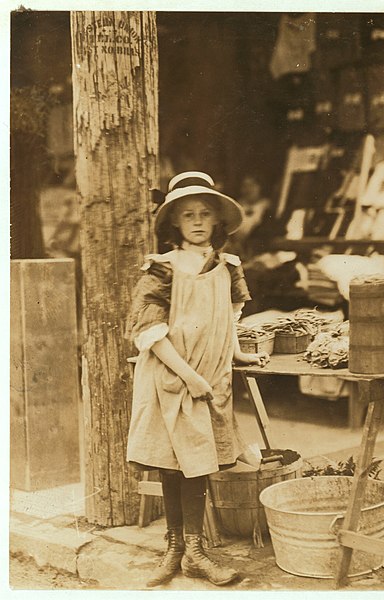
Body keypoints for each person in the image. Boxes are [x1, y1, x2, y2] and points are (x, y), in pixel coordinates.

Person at [125, 171, 270, 587]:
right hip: (172, 375)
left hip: (210, 378)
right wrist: (188, 377)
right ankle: (177, 549)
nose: (197, 221)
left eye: (205, 213)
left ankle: (193, 551)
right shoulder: (162, 269)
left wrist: (238, 352)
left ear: (218, 220)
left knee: (199, 465)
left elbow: (226, 318)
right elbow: (148, 332)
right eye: (187, 214)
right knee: (173, 465)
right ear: (173, 222)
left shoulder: (227, 267)